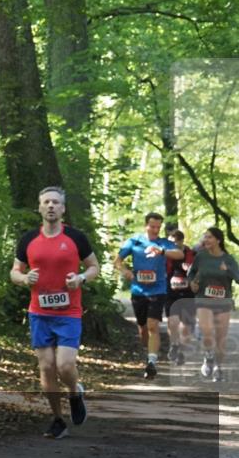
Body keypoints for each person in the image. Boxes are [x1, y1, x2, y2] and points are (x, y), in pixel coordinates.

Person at [10, 186, 100, 439]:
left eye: (56, 202)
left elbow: (94, 267)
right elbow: (14, 271)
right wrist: (24, 278)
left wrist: (81, 277)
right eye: (46, 202)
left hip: (68, 312)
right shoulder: (28, 239)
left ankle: (74, 392)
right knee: (47, 367)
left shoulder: (75, 238)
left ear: (62, 208)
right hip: (39, 313)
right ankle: (58, 419)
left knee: (65, 364)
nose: (51, 206)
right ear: (39, 207)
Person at [113, 212, 183, 379]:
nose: (155, 230)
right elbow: (117, 261)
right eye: (152, 226)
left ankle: (152, 362)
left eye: (158, 227)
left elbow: (179, 254)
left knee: (153, 326)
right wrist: (125, 271)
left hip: (158, 290)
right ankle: (148, 352)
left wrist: (162, 251)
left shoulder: (163, 243)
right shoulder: (135, 241)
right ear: (146, 225)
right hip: (138, 291)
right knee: (143, 329)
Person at [188, 227, 239, 383]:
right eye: (205, 237)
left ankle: (218, 367)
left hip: (223, 302)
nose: (206, 240)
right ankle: (208, 356)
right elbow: (191, 273)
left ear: (218, 240)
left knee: (220, 337)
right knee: (207, 331)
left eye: (209, 237)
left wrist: (228, 270)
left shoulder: (228, 259)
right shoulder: (201, 257)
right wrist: (192, 283)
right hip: (204, 299)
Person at [166, 229, 197, 365]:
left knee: (187, 326)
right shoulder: (166, 254)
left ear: (181, 241)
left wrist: (190, 270)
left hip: (188, 294)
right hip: (170, 293)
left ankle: (181, 352)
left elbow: (200, 272)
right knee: (173, 322)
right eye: (170, 242)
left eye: (174, 243)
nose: (172, 245)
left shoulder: (192, 254)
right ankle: (174, 345)